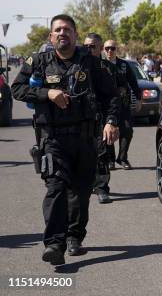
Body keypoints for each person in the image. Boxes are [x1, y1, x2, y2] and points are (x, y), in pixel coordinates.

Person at [11, 14, 120, 265]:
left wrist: (111, 121)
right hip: (53, 139)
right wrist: (46, 93)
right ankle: (54, 244)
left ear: (75, 35)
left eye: (67, 30)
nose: (63, 33)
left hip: (85, 139)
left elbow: (111, 96)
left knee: (81, 193)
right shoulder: (38, 62)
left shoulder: (91, 63)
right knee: (56, 188)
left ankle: (74, 237)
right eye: (58, 30)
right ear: (51, 37)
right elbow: (17, 88)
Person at [83, 33, 116, 204]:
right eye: (86, 46)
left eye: (92, 47)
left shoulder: (106, 68)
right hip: (78, 119)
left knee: (101, 154)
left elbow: (112, 96)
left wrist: (111, 121)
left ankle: (102, 188)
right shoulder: (76, 65)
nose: (89, 50)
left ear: (100, 48)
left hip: (99, 117)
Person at [104, 40, 142, 170]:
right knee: (107, 131)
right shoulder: (100, 64)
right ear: (103, 49)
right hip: (106, 105)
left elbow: (133, 82)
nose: (110, 51)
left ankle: (122, 158)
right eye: (107, 48)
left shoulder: (124, 65)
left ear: (116, 50)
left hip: (123, 104)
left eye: (112, 48)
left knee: (127, 130)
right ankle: (110, 160)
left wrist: (138, 99)